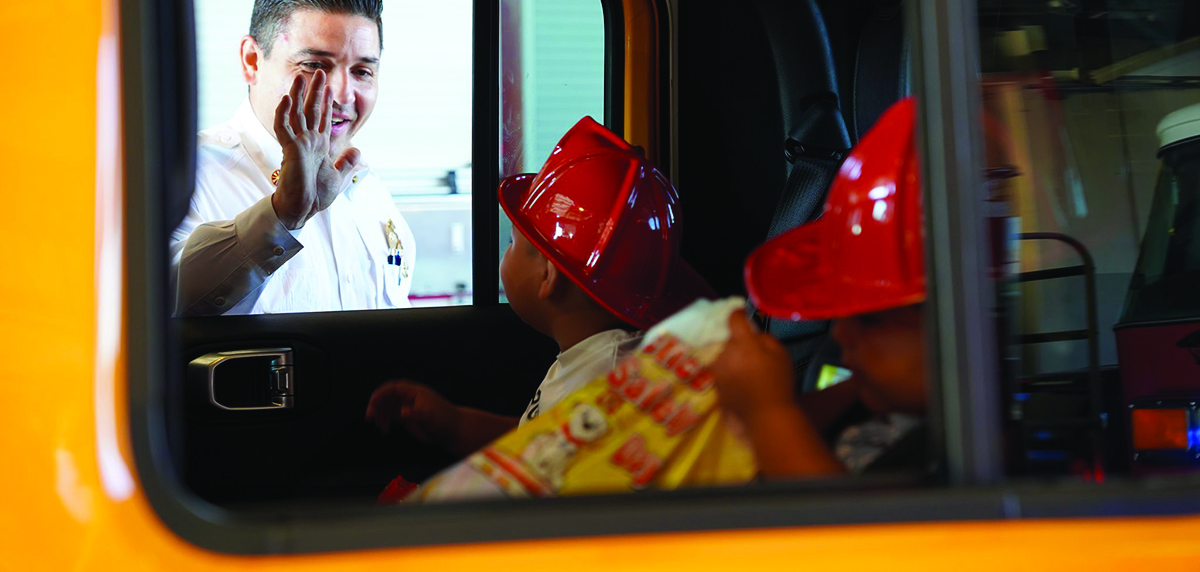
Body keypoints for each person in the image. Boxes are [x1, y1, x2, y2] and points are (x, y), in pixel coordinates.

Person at [365, 117, 715, 460]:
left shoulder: (604, 391)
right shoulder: (592, 359)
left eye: (513, 242)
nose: (506, 250)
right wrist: (454, 424)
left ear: (547, 276)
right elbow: (536, 441)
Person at [712, 97, 931, 478]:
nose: (841, 332)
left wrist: (767, 411)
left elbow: (846, 529)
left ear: (956, 322)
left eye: (870, 318)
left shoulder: (955, 459)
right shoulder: (900, 403)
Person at [171, 0, 416, 316]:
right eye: (315, 66)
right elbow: (157, 302)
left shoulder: (372, 194)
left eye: (362, 71)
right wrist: (281, 215)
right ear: (252, 61)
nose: (342, 95)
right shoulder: (184, 177)